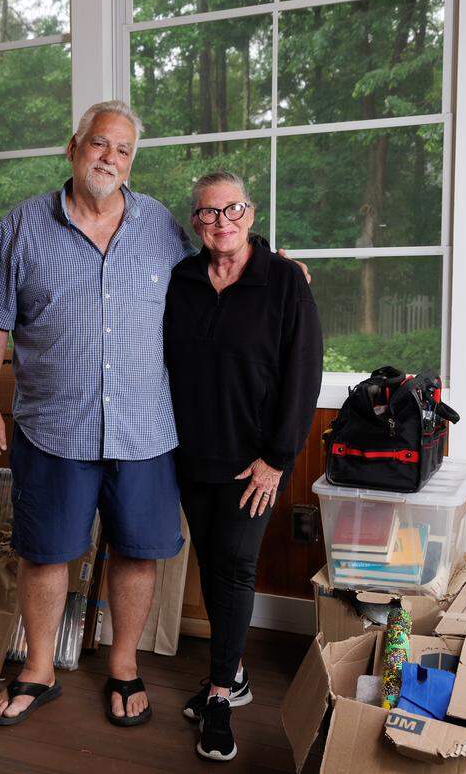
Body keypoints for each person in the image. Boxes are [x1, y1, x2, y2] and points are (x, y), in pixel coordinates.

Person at [0, 100, 186, 728]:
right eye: (99, 144)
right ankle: (39, 667)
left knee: (137, 552)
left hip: (145, 427)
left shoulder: (161, 227)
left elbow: (217, 273)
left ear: (131, 160)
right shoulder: (21, 226)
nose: (109, 158)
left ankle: (122, 664)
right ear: (73, 147)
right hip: (52, 425)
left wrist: (275, 267)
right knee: (45, 552)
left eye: (122, 150)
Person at [163, 171, 323, 762]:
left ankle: (220, 694)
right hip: (189, 454)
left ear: (250, 213)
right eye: (207, 213)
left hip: (253, 463)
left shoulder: (284, 282)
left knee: (234, 568)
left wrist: (277, 460)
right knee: (212, 565)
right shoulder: (180, 280)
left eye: (231, 209)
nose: (220, 222)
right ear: (196, 222)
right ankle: (235, 672)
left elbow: (303, 376)